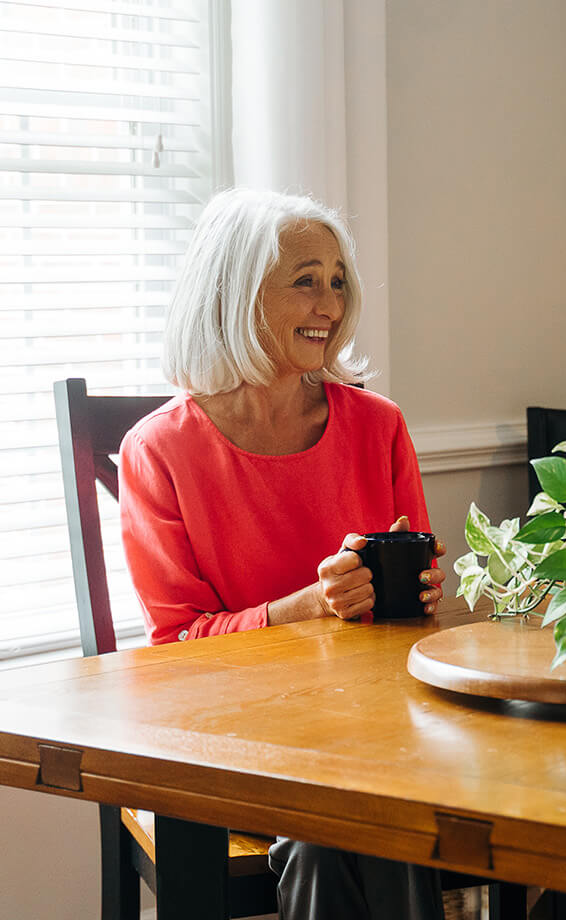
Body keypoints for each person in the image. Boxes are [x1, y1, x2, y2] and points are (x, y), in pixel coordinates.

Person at [119, 187, 447, 920]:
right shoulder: (159, 450)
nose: (329, 303)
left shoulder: (379, 425)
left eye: (337, 280)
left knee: (382, 814)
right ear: (237, 293)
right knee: (339, 828)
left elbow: (418, 615)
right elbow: (176, 645)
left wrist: (416, 592)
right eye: (305, 280)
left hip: (375, 730)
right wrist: (301, 609)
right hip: (236, 735)